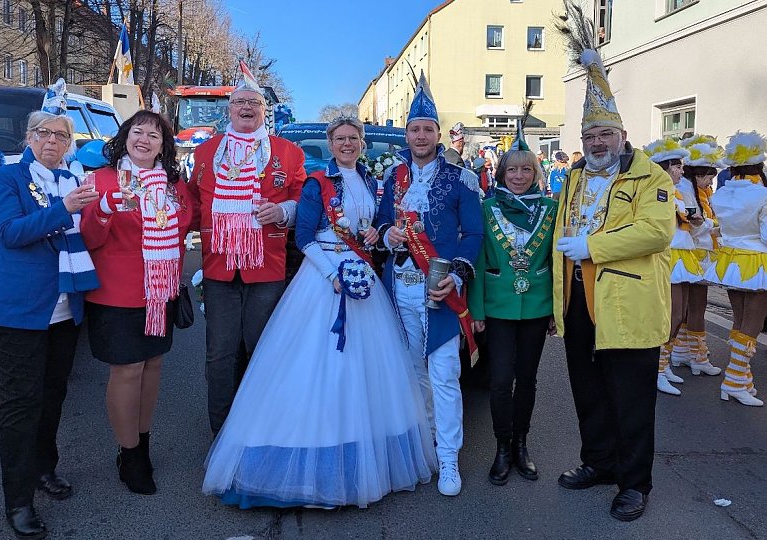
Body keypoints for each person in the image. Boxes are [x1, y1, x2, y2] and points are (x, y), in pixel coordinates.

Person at [202, 117, 435, 508]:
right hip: (324, 278)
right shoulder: (317, 183)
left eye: (353, 138)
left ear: (361, 143)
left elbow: (372, 227)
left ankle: (365, 453)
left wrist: (374, 235)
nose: (347, 144)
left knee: (365, 368)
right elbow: (305, 237)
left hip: (362, 277)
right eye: (340, 138)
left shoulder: (370, 180)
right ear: (331, 142)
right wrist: (332, 276)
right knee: (314, 363)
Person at [552, 47, 673, 522]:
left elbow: (656, 232)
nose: (597, 142)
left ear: (623, 135)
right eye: (590, 135)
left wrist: (594, 247)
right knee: (589, 391)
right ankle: (599, 462)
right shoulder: (574, 177)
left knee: (631, 398)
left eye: (605, 133)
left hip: (626, 303)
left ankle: (634, 483)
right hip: (578, 302)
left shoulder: (650, 175)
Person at [0, 79, 100, 540]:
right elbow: (10, 233)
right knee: (20, 405)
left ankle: (44, 468)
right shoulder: (6, 178)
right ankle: (18, 500)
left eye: (60, 135)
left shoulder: (75, 181)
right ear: (29, 138)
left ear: (69, 144)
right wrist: (64, 208)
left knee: (53, 395)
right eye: (43, 133)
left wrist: (105, 213)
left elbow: (89, 237)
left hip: (64, 308)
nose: (52, 141)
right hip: (18, 311)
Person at [375, 71, 483, 497]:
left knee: (444, 373)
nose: (421, 136)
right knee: (413, 373)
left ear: (438, 133)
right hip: (400, 288)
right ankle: (425, 443)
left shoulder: (461, 179)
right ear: (407, 134)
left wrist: (457, 274)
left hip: (440, 290)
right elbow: (381, 224)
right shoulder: (392, 177)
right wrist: (388, 235)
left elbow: (473, 234)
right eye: (415, 129)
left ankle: (449, 455)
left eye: (428, 129)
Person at [80, 109, 199, 494]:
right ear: (125, 137)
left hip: (161, 291)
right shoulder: (102, 179)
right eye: (137, 132)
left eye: (154, 135)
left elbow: (189, 223)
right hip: (118, 292)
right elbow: (89, 239)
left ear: (163, 147)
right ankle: (128, 453)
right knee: (128, 370)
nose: (144, 140)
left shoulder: (174, 186)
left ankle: (142, 444)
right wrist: (104, 208)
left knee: (152, 366)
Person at [188, 61, 306, 435]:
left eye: (254, 103)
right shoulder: (206, 152)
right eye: (240, 101)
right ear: (229, 109)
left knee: (263, 350)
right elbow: (191, 204)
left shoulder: (289, 152)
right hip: (219, 267)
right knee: (220, 354)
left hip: (266, 267)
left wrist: (283, 211)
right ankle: (222, 434)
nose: (247, 107)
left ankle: (261, 430)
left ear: (264, 111)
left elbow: (303, 200)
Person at [469, 140, 557, 487]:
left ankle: (522, 444)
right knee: (501, 379)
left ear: (536, 173)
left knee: (528, 379)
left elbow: (556, 262)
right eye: (512, 169)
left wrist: (557, 309)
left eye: (526, 169)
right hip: (498, 306)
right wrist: (476, 308)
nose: (519, 176)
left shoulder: (551, 209)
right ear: (502, 173)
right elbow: (478, 260)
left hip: (537, 305)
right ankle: (502, 447)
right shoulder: (487, 208)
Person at [703, 131, 767, 407]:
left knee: (739, 320)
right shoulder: (763, 195)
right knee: (753, 324)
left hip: (730, 261)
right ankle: (734, 380)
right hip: (756, 261)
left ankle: (742, 379)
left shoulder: (721, 194)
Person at [669, 136, 725, 378]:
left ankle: (683, 351)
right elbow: (693, 225)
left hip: (697, 252)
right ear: (699, 174)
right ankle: (697, 356)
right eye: (709, 176)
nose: (711, 181)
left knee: (690, 307)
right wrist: (713, 226)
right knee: (694, 308)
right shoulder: (684, 190)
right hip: (693, 253)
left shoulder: (695, 189)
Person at [642, 138, 692, 396]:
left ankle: (664, 363)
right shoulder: (656, 192)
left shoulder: (678, 192)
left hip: (681, 257)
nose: (682, 171)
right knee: (670, 314)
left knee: (680, 313)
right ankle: (657, 369)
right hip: (665, 259)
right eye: (677, 166)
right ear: (665, 167)